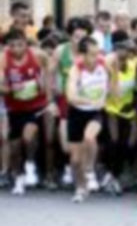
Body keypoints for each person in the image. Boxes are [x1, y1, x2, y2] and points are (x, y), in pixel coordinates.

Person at [0, 29, 53, 195]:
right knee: (15, 146)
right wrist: (10, 89)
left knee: (28, 136)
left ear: (26, 43)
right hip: (14, 107)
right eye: (12, 46)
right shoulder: (3, 59)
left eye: (20, 45)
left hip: (36, 105)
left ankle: (30, 164)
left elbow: (49, 68)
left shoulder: (37, 55)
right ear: (7, 46)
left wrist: (46, 89)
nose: (16, 49)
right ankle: (19, 177)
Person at [52, 17, 95, 190]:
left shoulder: (93, 54)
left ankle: (83, 172)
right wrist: (51, 100)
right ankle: (73, 166)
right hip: (66, 100)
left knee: (87, 138)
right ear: (70, 36)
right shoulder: (60, 51)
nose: (79, 41)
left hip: (87, 101)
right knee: (66, 145)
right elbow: (50, 74)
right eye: (76, 37)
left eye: (83, 38)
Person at [65, 37, 109, 202]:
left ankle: (90, 170)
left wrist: (107, 98)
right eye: (91, 55)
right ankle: (80, 187)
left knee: (90, 137)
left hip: (96, 113)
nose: (96, 58)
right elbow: (71, 97)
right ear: (82, 55)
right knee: (75, 160)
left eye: (97, 53)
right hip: (77, 113)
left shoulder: (104, 64)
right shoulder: (76, 69)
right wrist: (90, 101)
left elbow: (114, 81)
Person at [102, 41, 137, 196]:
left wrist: (136, 110)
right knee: (113, 141)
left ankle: (118, 174)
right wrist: (112, 70)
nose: (123, 53)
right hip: (111, 108)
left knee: (128, 144)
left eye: (126, 50)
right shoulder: (107, 66)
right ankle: (111, 175)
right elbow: (109, 91)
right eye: (119, 50)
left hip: (129, 110)